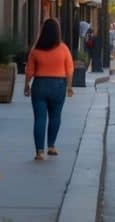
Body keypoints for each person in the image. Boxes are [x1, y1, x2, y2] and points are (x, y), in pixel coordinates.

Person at [24, 17, 74, 160]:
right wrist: (69, 87)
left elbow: (29, 71)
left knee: (39, 118)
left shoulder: (35, 50)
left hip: (39, 85)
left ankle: (40, 151)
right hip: (58, 86)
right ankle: (51, 146)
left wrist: (26, 85)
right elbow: (69, 69)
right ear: (58, 32)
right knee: (55, 117)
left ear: (43, 31)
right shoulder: (64, 49)